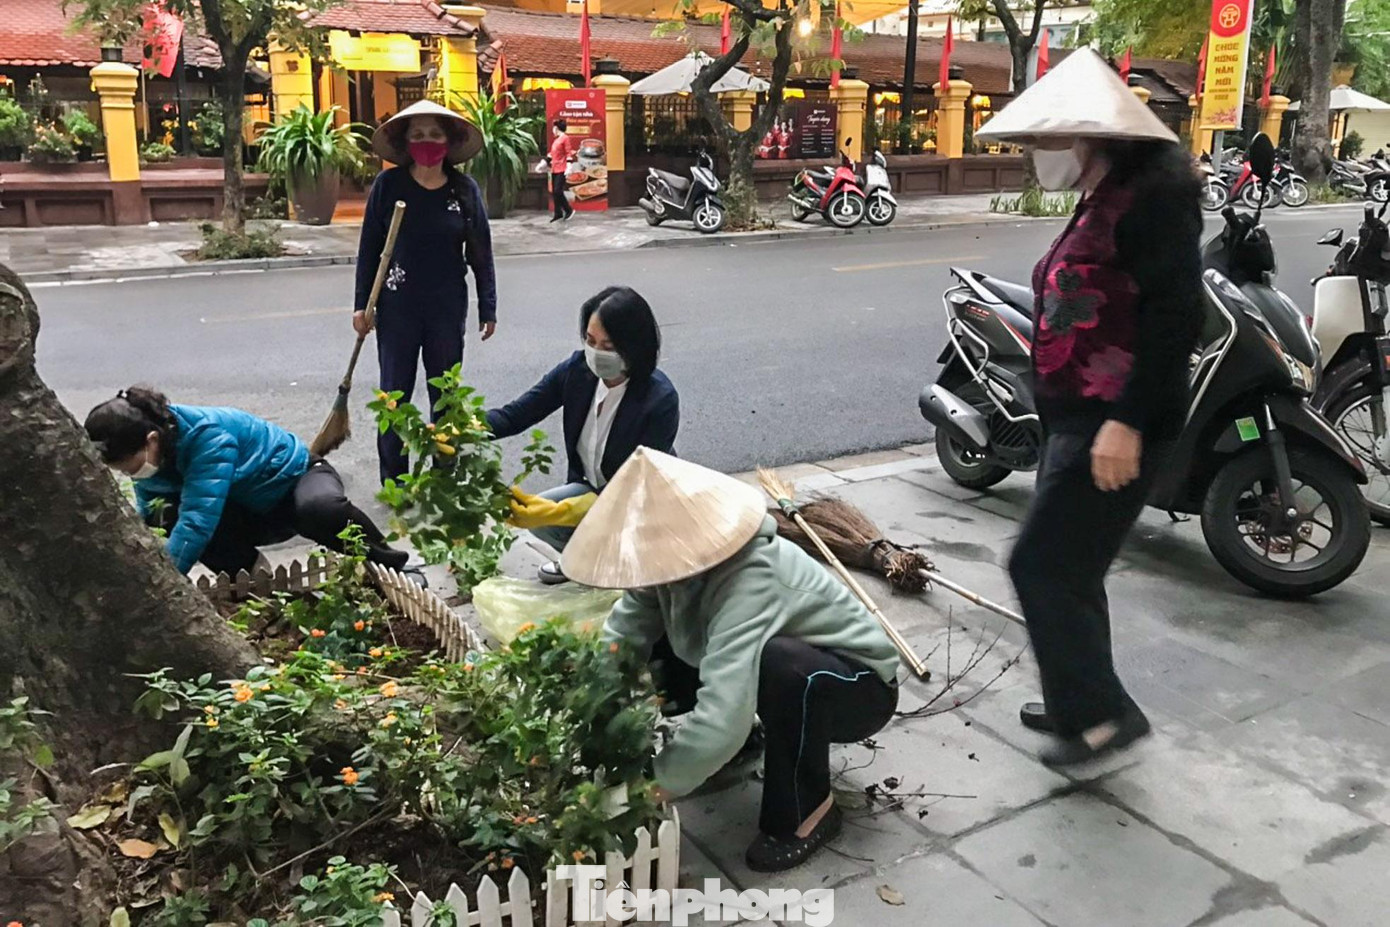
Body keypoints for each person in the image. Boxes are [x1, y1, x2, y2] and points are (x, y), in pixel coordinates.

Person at [976, 49, 1204, 766]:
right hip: (1074, 417)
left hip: (1115, 421)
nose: (1041, 153)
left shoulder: (1153, 199)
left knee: (1040, 565)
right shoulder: (1103, 190)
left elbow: (1177, 320)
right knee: (1071, 567)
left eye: (1051, 139)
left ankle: (1103, 717)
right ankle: (1079, 698)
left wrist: (1126, 423)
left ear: (1092, 134)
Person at [563, 448, 900, 872]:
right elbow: (622, 636)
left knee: (785, 669)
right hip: (792, 667)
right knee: (670, 637)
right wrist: (587, 709)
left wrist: (648, 790)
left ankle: (808, 812)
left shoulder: (751, 576)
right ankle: (746, 744)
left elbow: (723, 718)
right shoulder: (667, 563)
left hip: (858, 688)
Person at [84, 388, 410, 576]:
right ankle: (257, 584)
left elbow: (198, 518)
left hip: (295, 482)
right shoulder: (152, 453)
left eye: (130, 467)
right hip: (248, 506)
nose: (132, 476)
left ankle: (393, 566)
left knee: (320, 509)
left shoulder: (207, 437)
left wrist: (166, 581)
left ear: (151, 440)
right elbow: (150, 516)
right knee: (165, 518)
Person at [487, 286, 678, 584]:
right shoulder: (578, 371)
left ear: (633, 347)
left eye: (608, 345)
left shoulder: (659, 400)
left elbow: (636, 487)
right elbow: (517, 414)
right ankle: (585, 564)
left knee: (558, 514)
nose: (597, 353)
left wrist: (566, 510)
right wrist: (468, 428)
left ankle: (624, 571)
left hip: (638, 506)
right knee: (541, 519)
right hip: (591, 488)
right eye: (591, 341)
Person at [355, 100, 498, 484]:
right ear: (406, 142)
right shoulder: (389, 186)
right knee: (394, 397)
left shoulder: (464, 190)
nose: (427, 142)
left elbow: (480, 251)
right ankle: (396, 482)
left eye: (435, 134)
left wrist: (488, 306)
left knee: (446, 398)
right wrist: (360, 307)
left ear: (449, 142)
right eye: (418, 135)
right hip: (397, 307)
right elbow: (370, 249)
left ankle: (444, 475)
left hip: (446, 309)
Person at [545, 118, 576, 222]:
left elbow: (568, 152)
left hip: (562, 169)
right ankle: (557, 213)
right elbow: (552, 154)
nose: (553, 129)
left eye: (554, 127)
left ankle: (568, 210)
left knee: (558, 191)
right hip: (554, 169)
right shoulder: (556, 140)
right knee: (554, 192)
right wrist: (544, 162)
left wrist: (569, 166)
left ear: (557, 128)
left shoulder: (565, 138)